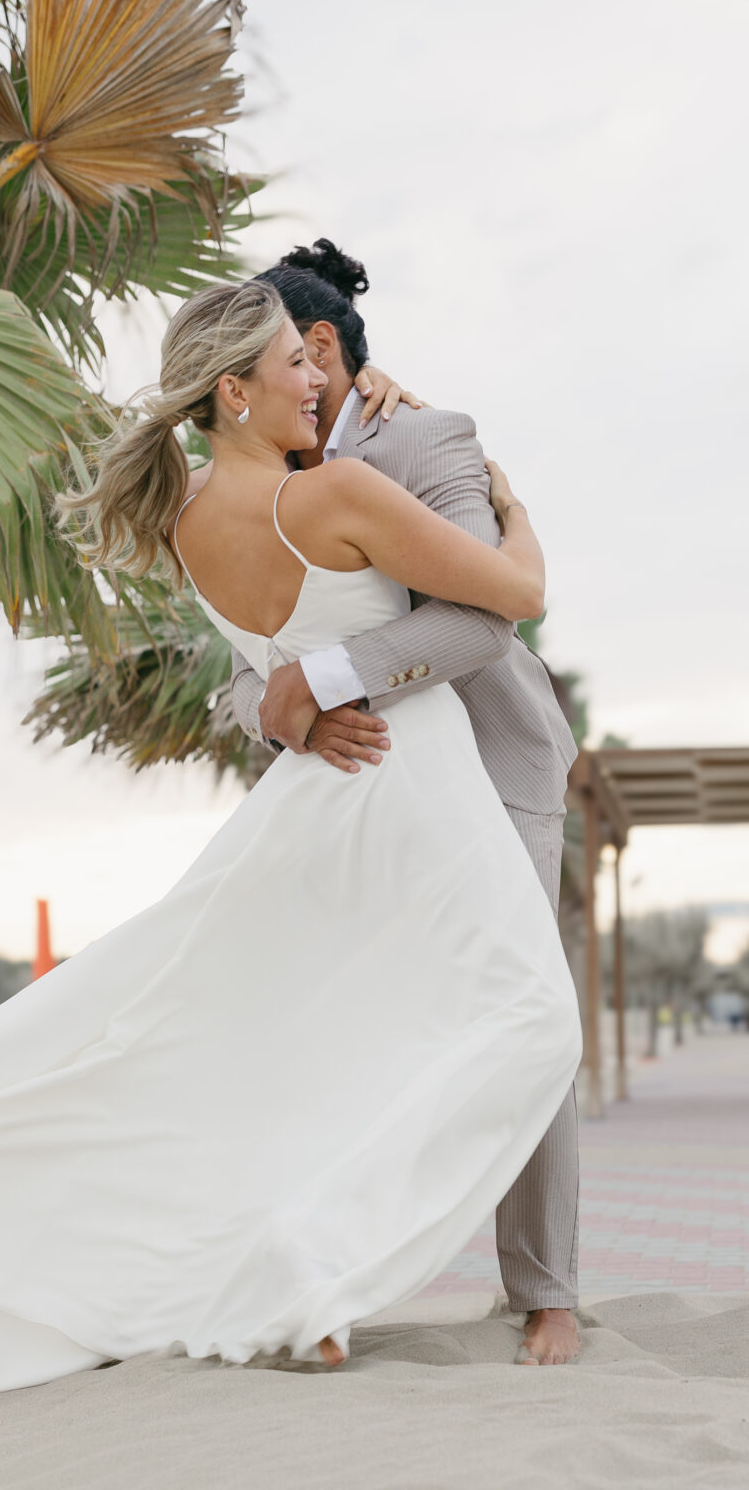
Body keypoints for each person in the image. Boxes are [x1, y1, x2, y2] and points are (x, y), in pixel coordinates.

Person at [0, 279, 582, 1411]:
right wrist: (514, 508)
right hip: (407, 783)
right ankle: (312, 1264)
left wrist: (302, 688)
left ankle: (306, 1274)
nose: (318, 377)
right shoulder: (337, 494)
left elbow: (270, 666)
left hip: (322, 794)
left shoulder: (184, 523)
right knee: (527, 1020)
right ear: (233, 391)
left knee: (294, 1042)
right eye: (294, 365)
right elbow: (508, 599)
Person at [230, 240, 582, 1365]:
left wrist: (329, 677)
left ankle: (546, 1289)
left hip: (493, 768)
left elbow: (486, 622)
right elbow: (245, 665)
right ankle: (324, 1283)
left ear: (319, 352)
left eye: (277, 350)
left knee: (521, 1013)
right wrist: (281, 713)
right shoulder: (263, 479)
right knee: (337, 1023)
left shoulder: (425, 438)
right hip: (359, 781)